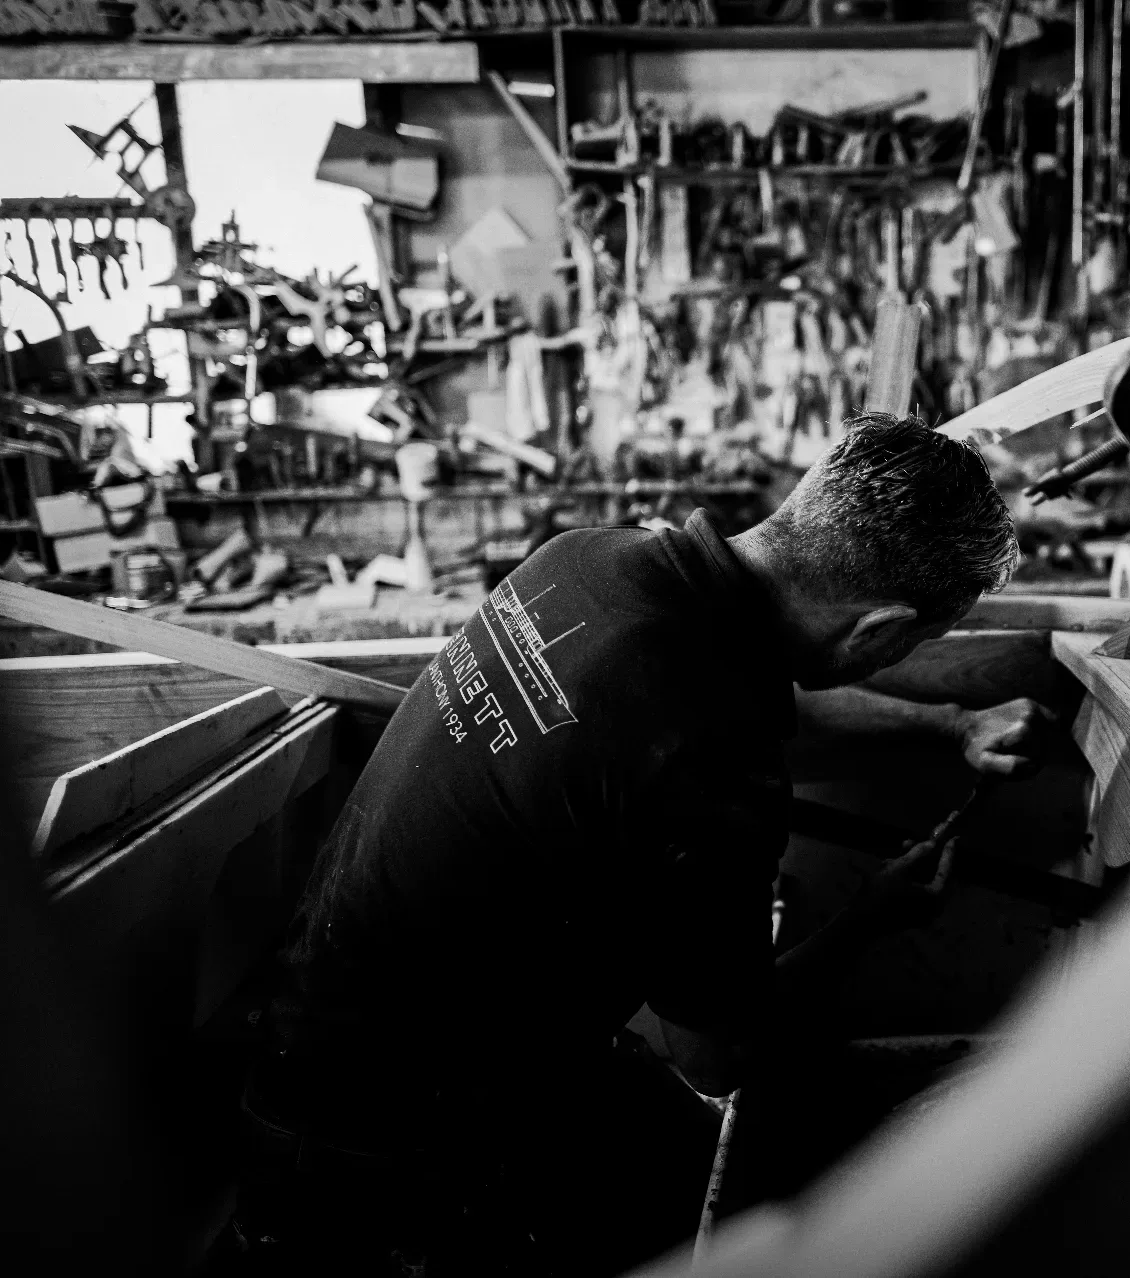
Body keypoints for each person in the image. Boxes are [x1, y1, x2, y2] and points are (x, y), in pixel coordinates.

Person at [231, 414, 1057, 1276]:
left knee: (678, 1149)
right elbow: (722, 1053)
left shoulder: (588, 562)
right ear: (880, 631)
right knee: (755, 1215)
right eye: (917, 643)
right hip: (385, 1163)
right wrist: (870, 914)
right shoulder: (715, 763)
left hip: (301, 1057)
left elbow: (720, 710)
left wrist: (953, 723)